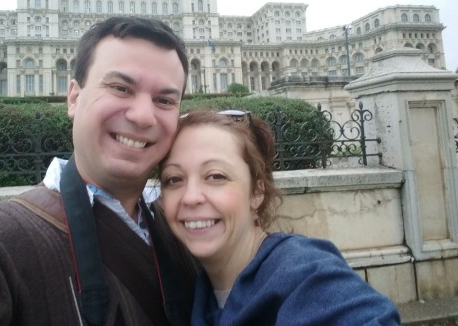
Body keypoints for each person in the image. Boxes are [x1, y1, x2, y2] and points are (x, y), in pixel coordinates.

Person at [0, 17, 198, 325]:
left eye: (164, 100)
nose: (143, 116)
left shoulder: (186, 230)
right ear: (74, 98)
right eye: (120, 88)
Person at [159, 109, 401, 325]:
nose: (190, 197)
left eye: (215, 176)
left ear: (256, 192)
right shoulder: (194, 294)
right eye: (174, 179)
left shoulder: (303, 274)